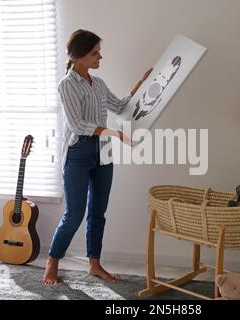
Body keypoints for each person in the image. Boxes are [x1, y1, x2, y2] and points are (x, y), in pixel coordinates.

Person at [43, 29, 152, 285]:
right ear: (79, 56)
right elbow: (79, 125)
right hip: (78, 152)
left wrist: (141, 83)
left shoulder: (99, 83)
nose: (100, 57)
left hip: (103, 152)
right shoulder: (66, 85)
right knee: (74, 215)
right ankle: (52, 261)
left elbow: (121, 106)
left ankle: (94, 264)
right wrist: (112, 132)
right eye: (95, 53)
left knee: (98, 213)